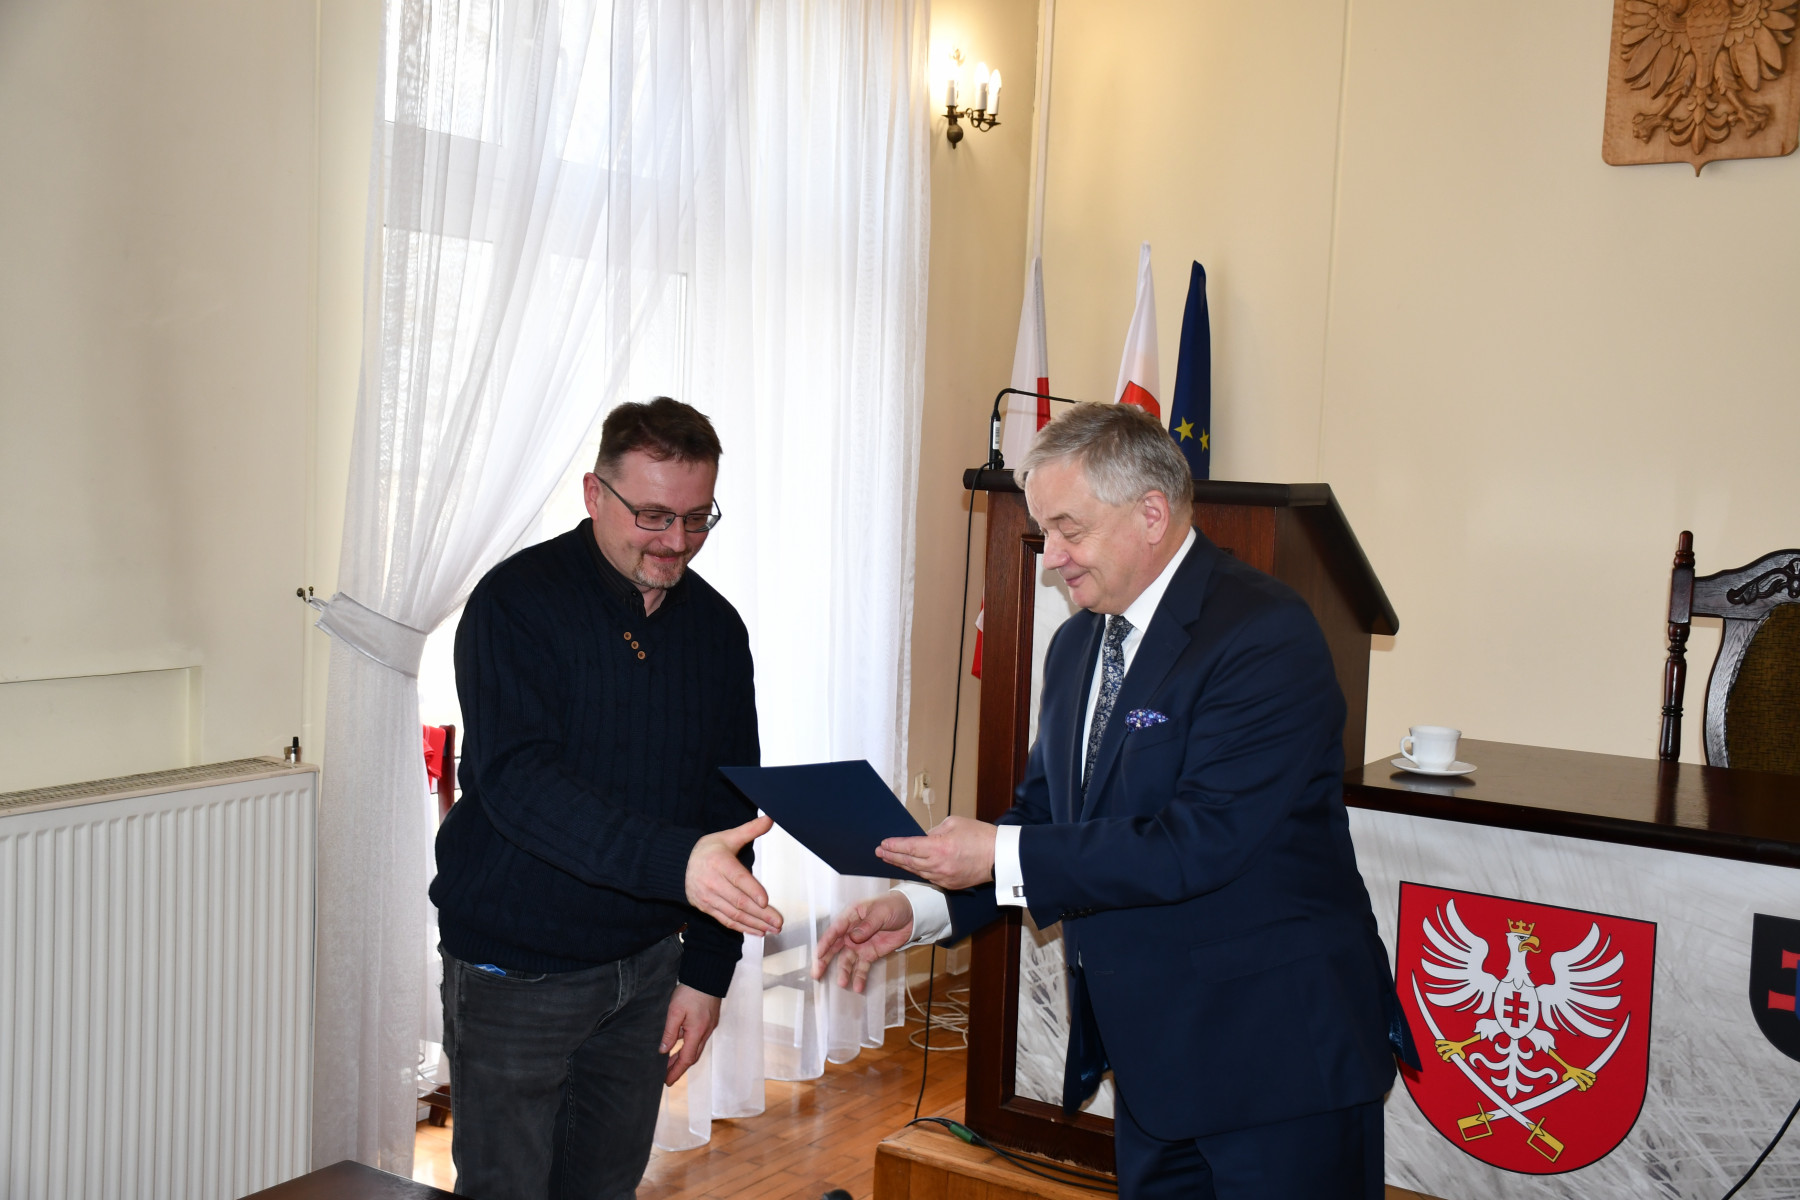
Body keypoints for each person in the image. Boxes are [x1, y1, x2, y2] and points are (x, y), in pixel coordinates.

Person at [812, 403, 1415, 1200]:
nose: (1051, 557)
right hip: (1154, 1068)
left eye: (1069, 530)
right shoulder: (1075, 646)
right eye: (1045, 531)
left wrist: (997, 852)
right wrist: (922, 906)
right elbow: (1042, 823)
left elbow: (1198, 841)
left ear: (1152, 515)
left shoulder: (1263, 633)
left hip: (1278, 1065)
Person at [431, 397, 782, 1200]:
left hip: (648, 971)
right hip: (514, 971)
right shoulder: (515, 604)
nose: (676, 542)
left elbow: (730, 811)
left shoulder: (716, 630)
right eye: (652, 516)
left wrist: (708, 972)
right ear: (595, 494)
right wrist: (677, 863)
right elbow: (521, 786)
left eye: (697, 518)